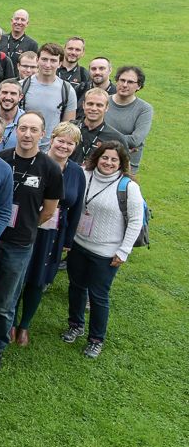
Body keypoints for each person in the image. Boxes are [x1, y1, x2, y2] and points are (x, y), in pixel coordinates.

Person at [0, 112, 61, 370]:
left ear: (42, 134)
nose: (27, 134)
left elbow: (48, 211)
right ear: (15, 130)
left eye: (34, 130)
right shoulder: (0, 159)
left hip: (19, 243)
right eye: (23, 128)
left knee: (6, 300)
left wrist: (27, 225)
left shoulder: (49, 168)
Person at [63, 141, 145, 359]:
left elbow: (136, 221)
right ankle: (75, 325)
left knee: (98, 296)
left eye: (114, 159)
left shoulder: (128, 187)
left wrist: (123, 251)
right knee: (76, 287)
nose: (108, 163)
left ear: (121, 163)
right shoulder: (84, 174)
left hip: (106, 253)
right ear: (97, 158)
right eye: (105, 157)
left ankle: (96, 339)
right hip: (79, 244)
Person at [14, 122, 85, 344]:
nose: (64, 146)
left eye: (70, 143)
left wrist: (68, 240)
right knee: (18, 276)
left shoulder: (76, 173)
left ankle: (24, 325)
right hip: (25, 227)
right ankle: (10, 322)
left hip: (52, 234)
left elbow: (76, 207)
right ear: (51, 139)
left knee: (38, 278)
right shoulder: (37, 163)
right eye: (60, 140)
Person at [19, 43, 77, 148]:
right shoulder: (21, 86)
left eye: (53, 61)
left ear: (60, 63)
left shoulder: (67, 91)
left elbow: (68, 128)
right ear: (37, 60)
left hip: (49, 151)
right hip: (22, 146)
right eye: (44, 59)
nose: (48, 64)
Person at [104, 66, 153, 175]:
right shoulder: (103, 101)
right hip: (99, 160)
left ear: (139, 86)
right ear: (117, 81)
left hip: (126, 166)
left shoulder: (144, 109)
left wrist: (102, 139)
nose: (125, 85)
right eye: (122, 80)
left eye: (130, 82)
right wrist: (123, 143)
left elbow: (135, 140)